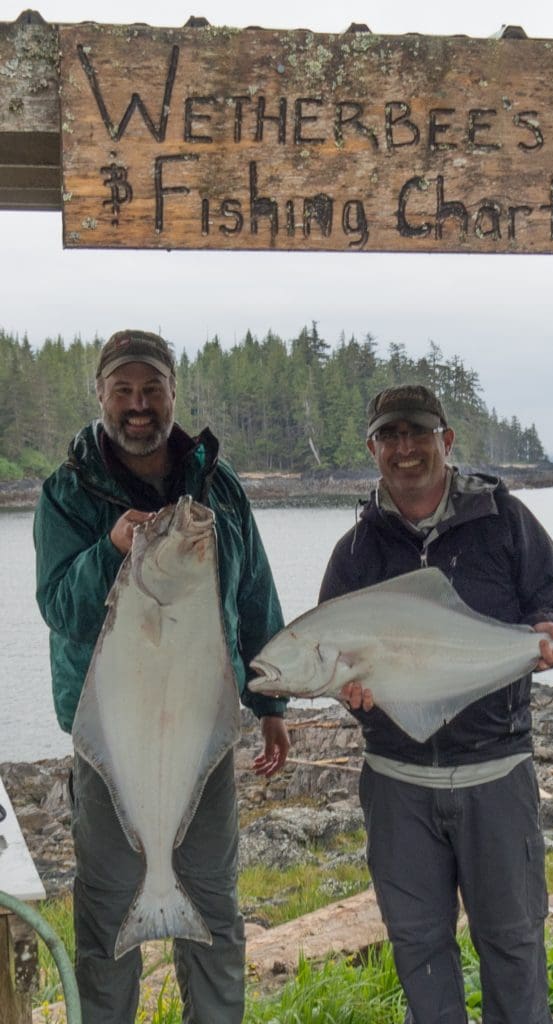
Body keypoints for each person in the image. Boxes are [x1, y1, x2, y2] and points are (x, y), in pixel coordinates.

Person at [33, 329, 290, 1024]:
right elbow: (59, 606)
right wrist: (110, 549)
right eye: (124, 390)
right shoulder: (67, 492)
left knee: (212, 903)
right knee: (109, 911)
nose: (138, 405)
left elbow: (254, 592)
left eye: (152, 389)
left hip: (200, 730)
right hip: (111, 735)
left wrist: (270, 700)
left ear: (174, 393)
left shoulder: (219, 484)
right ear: (101, 397)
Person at [319, 383, 553, 1024]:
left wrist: (548, 631)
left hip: (498, 773)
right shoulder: (356, 552)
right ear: (373, 448)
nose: (404, 449)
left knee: (515, 944)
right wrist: (353, 698)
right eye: (390, 436)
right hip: (398, 785)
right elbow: (336, 665)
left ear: (446, 439)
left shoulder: (506, 521)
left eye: (416, 432)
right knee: (419, 950)